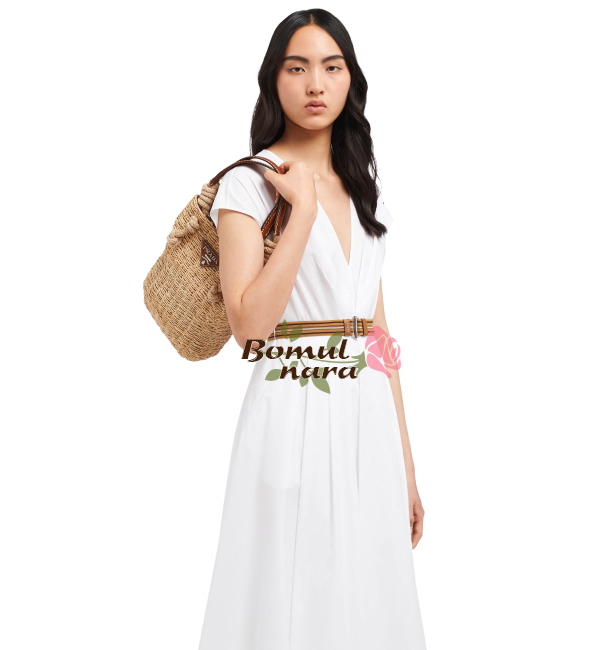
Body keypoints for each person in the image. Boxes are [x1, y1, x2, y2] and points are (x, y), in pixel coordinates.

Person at [197, 9, 427, 650]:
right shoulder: (249, 184)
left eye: (332, 67)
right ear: (274, 80)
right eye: (297, 68)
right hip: (293, 409)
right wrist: (298, 212)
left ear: (351, 79)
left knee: (369, 598)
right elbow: (250, 329)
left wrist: (406, 463)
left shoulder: (360, 186)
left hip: (367, 420)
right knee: (291, 593)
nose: (316, 84)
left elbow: (377, 332)